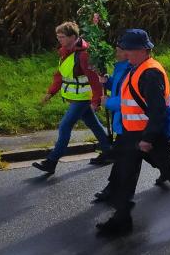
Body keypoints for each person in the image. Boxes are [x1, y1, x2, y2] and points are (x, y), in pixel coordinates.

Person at [96, 29, 170, 235]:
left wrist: (148, 138)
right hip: (131, 133)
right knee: (125, 174)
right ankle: (121, 218)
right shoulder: (136, 68)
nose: (124, 53)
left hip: (148, 134)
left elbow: (157, 110)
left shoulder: (150, 73)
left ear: (142, 50)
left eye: (128, 49)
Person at [33, 22, 112, 174]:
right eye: (58, 36)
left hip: (83, 98)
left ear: (73, 37)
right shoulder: (66, 51)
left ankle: (52, 161)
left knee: (64, 126)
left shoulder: (84, 55)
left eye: (62, 37)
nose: (59, 39)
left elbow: (94, 80)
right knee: (93, 124)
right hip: (77, 97)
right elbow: (60, 74)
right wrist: (50, 93)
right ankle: (109, 152)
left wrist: (96, 102)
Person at [92, 47, 132, 203]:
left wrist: (109, 102)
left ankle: (114, 192)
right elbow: (117, 87)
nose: (116, 54)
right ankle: (114, 191)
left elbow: (128, 99)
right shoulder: (121, 67)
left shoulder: (130, 70)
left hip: (132, 123)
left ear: (128, 52)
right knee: (153, 157)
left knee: (123, 159)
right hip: (126, 122)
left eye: (119, 51)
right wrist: (107, 81)